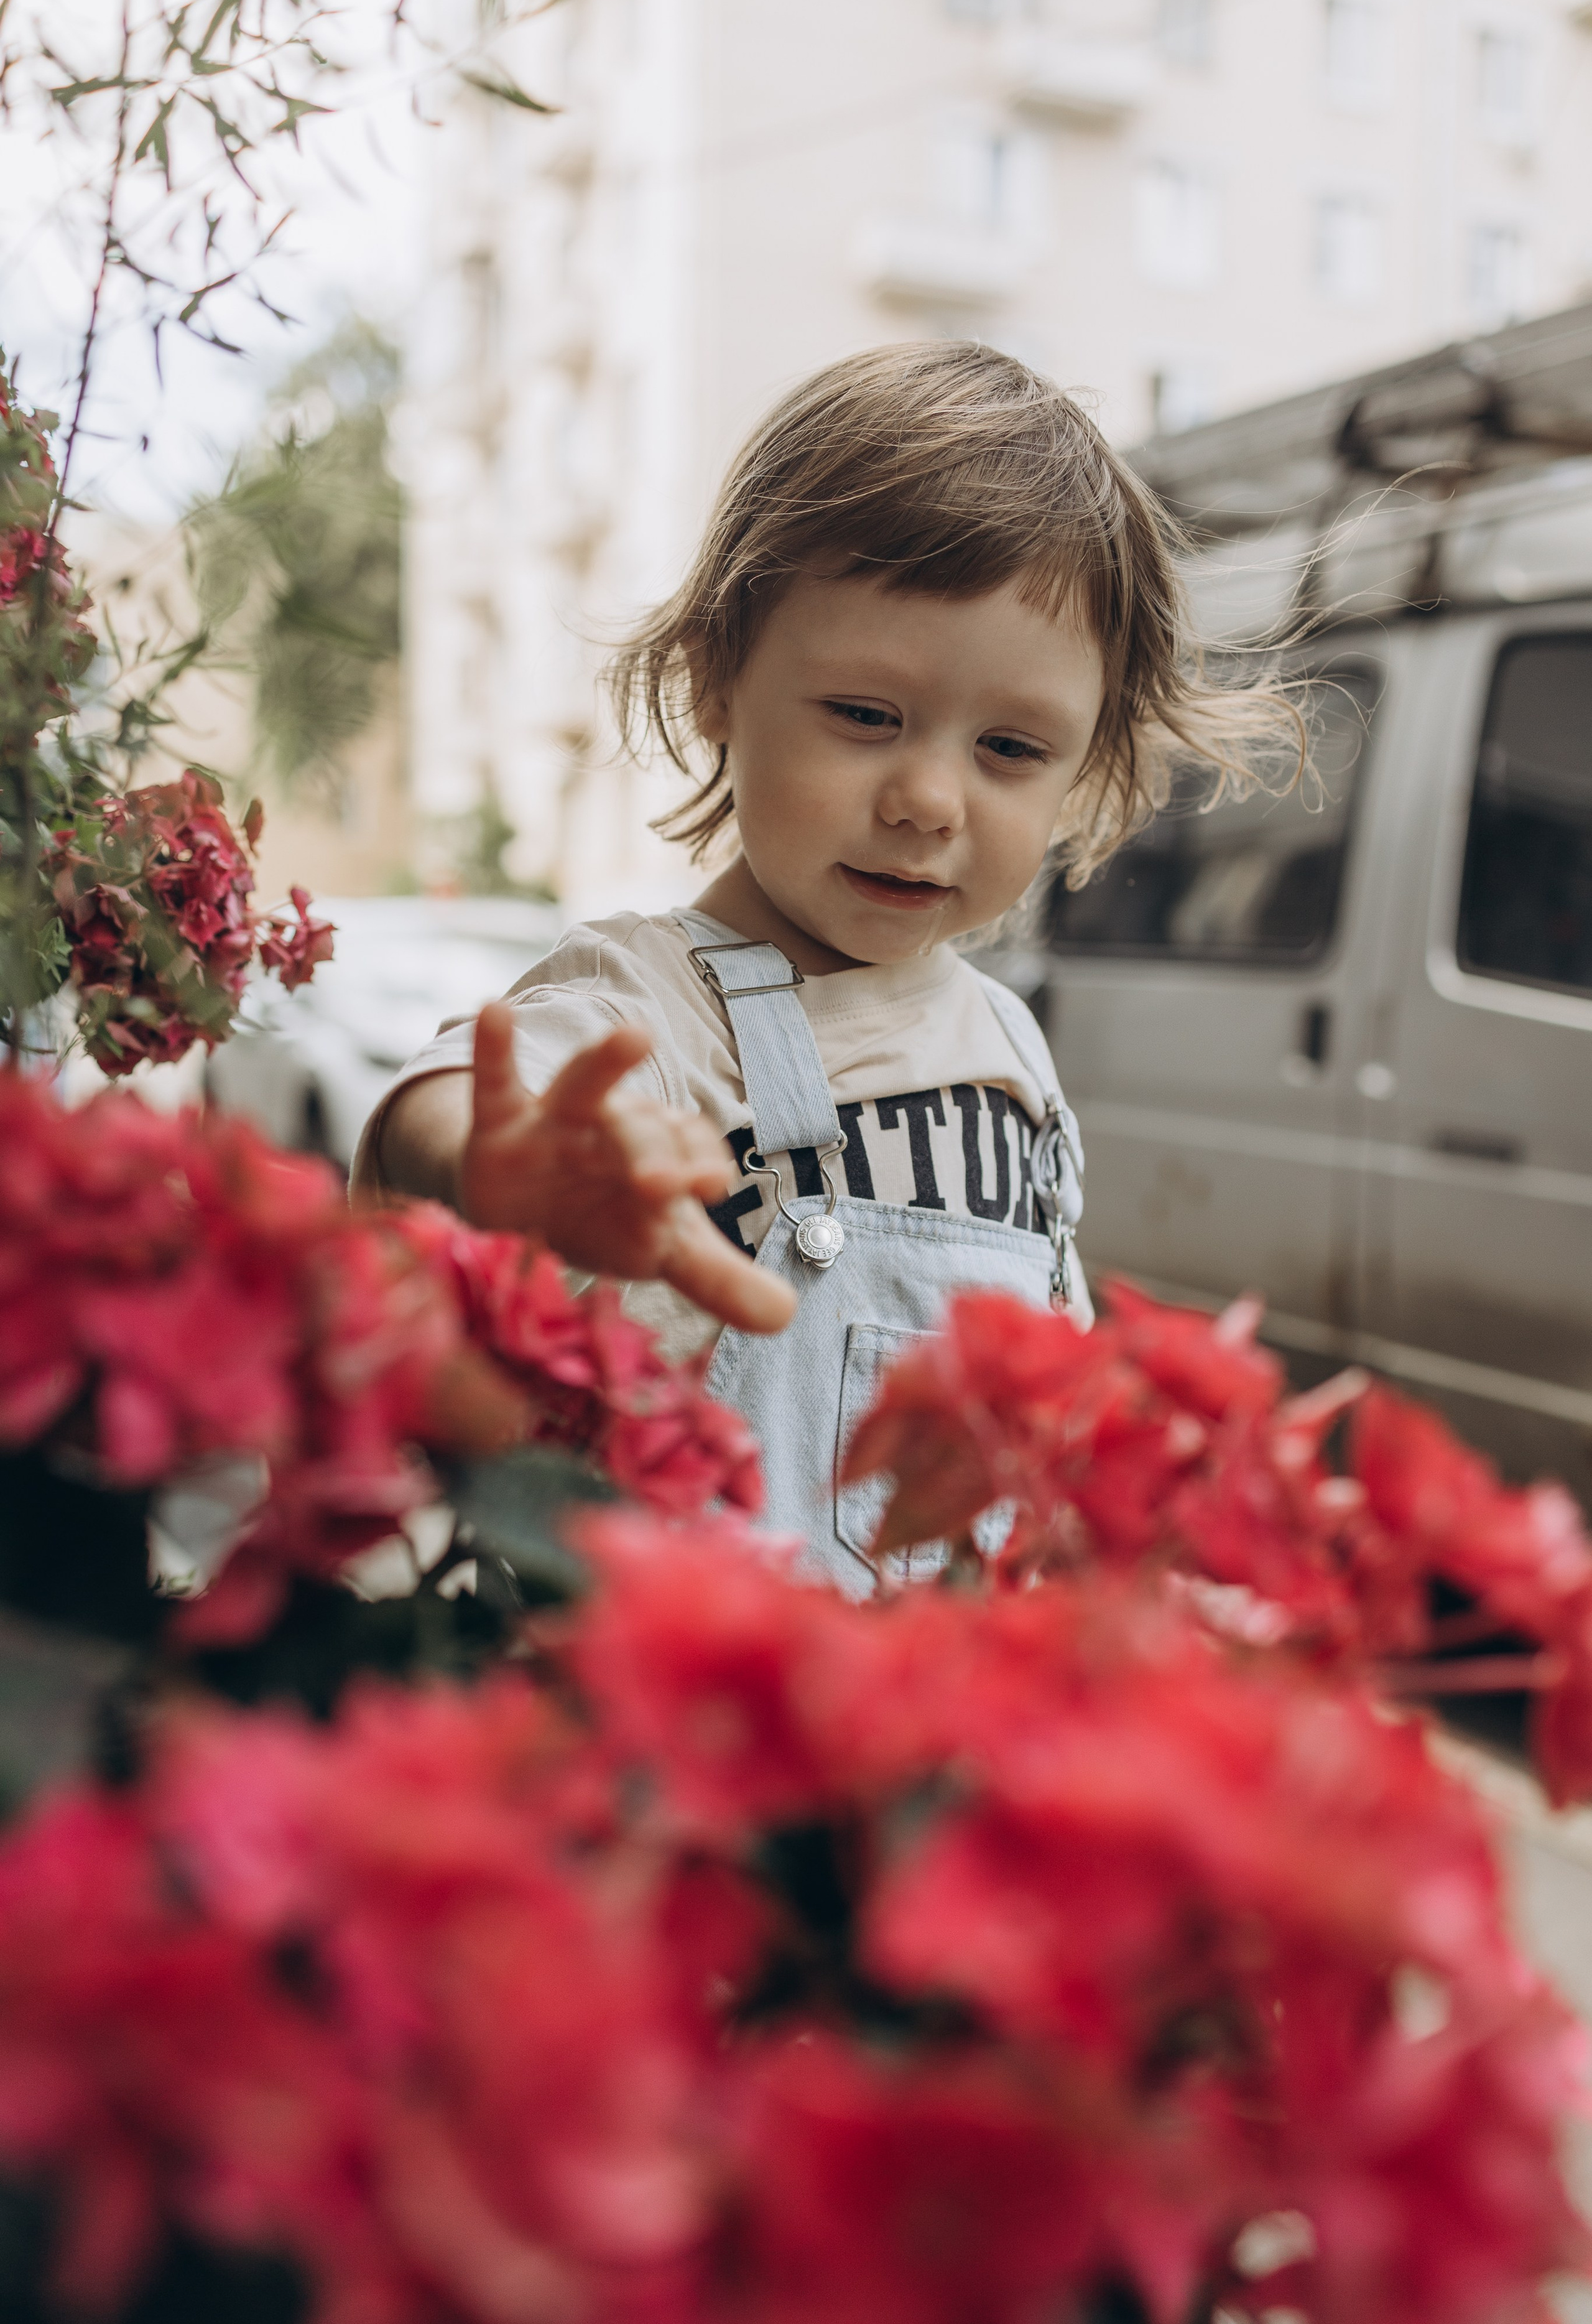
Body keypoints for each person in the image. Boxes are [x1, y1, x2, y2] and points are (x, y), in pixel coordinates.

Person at [354, 342, 1296, 1593]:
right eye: (865, 716)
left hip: (917, 1735)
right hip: (662, 1725)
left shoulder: (1008, 1049)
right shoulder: (654, 1007)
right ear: (714, 683)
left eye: (1010, 748)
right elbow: (469, 1093)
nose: (925, 798)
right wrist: (500, 1153)